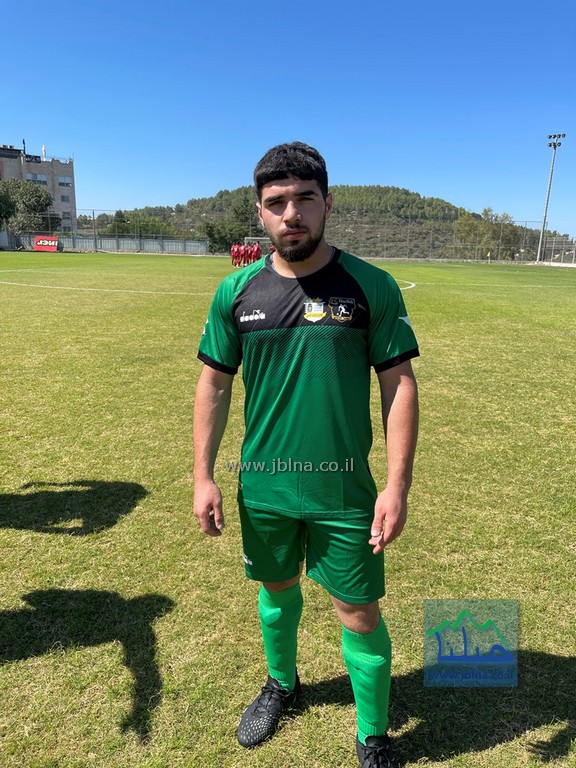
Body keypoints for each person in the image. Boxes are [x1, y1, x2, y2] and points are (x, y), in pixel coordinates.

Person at [193, 142, 419, 768]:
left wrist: (396, 486)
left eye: (304, 199)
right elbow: (214, 385)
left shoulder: (371, 286)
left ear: (327, 203)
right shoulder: (236, 292)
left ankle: (372, 736)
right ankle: (281, 684)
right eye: (276, 203)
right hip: (263, 485)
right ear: (260, 212)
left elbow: (399, 384)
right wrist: (203, 476)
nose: (291, 213)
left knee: (358, 611)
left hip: (342, 490)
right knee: (275, 588)